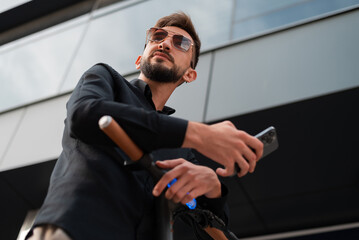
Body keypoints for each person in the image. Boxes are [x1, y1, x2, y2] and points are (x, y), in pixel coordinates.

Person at [26, 12, 263, 240]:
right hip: (71, 230)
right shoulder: (104, 77)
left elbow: (214, 226)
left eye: (180, 42)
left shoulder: (183, 151)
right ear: (140, 60)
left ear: (190, 74)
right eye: (158, 37)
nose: (165, 44)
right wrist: (197, 133)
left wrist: (212, 187)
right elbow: (84, 115)